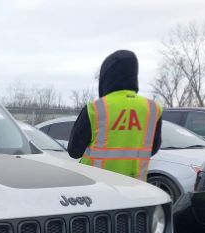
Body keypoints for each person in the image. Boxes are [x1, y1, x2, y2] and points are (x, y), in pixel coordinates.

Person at [68, 50, 162, 181]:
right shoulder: (152, 109)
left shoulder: (95, 109)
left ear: (106, 77)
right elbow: (153, 149)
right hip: (135, 187)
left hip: (96, 186)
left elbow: (74, 151)